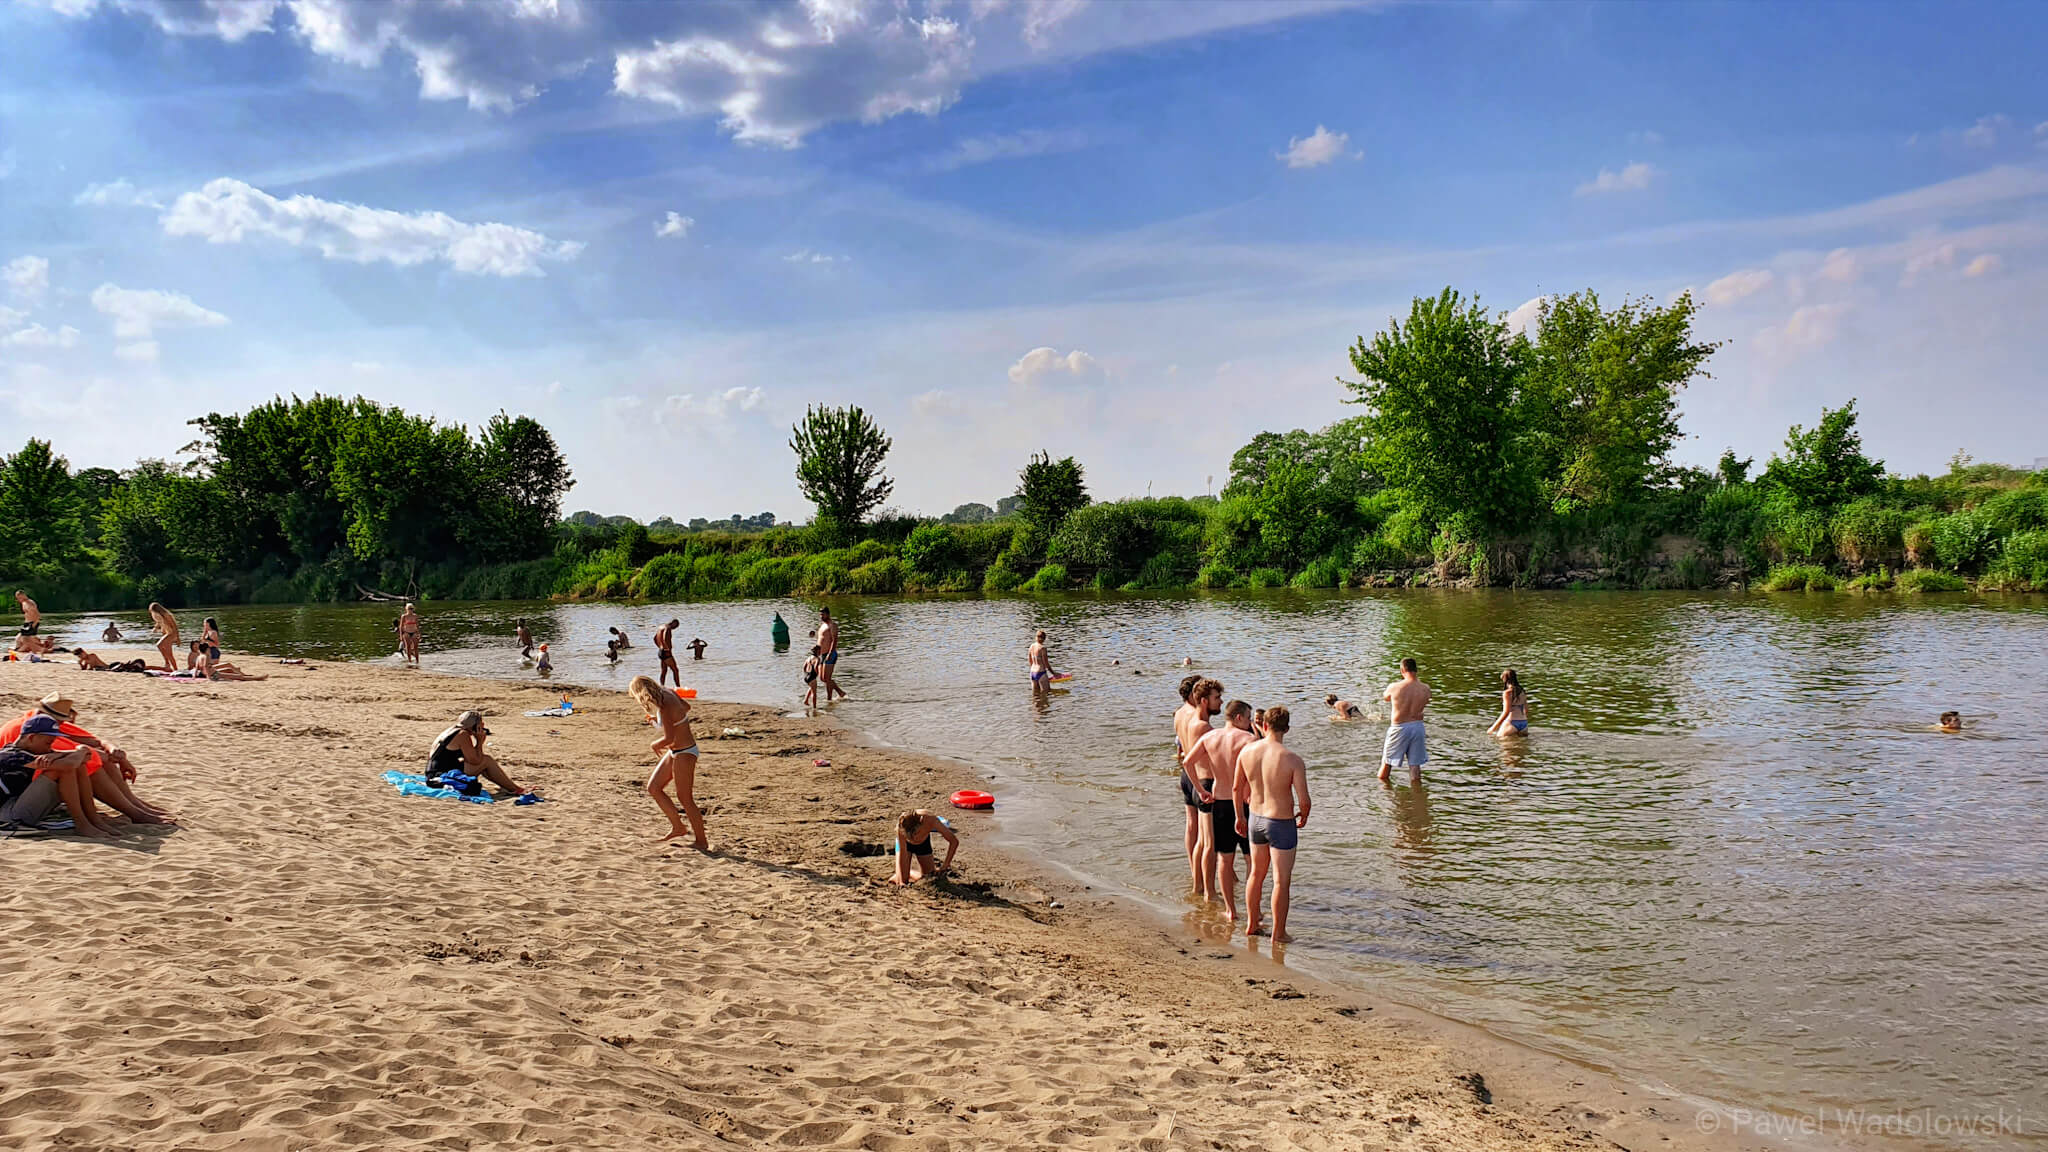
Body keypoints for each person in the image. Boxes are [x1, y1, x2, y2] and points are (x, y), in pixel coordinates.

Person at [3, 695, 173, 826]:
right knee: (84, 765)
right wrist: (83, 752)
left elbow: (94, 742)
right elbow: (77, 759)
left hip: (21, 784)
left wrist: (113, 750)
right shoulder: (32, 730)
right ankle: (122, 814)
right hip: (17, 795)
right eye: (60, 722)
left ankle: (135, 805)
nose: (61, 726)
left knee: (88, 760)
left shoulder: (42, 724)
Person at [1236, 705, 1309, 943]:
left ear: (1264, 725)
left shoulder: (1247, 752)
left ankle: (1251, 923)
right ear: (1286, 729)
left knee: (1256, 874)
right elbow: (1304, 799)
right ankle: (1279, 933)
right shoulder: (1292, 759)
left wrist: (1240, 816)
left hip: (1255, 818)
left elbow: (1237, 788)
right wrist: (1304, 815)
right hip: (1281, 822)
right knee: (1281, 880)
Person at [1181, 699, 1258, 922]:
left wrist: (1200, 790)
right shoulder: (1248, 739)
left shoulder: (1209, 737)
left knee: (1224, 858)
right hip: (1242, 803)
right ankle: (1256, 911)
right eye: (1248, 718)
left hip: (1220, 802)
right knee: (1250, 859)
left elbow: (1187, 763)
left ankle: (1231, 910)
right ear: (1239, 718)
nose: (1250, 722)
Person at [629, 675, 706, 848]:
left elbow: (669, 737)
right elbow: (686, 707)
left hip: (685, 752)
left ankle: (702, 841)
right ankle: (678, 827)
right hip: (675, 751)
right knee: (654, 787)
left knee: (685, 798)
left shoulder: (664, 706)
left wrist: (654, 744)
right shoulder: (668, 693)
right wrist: (661, 721)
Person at [0, 718, 105, 837]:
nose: (49, 748)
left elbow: (85, 756)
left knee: (78, 765)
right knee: (61, 769)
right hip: (7, 816)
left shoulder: (31, 751)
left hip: (16, 805)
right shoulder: (11, 755)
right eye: (48, 743)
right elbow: (69, 764)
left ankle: (93, 819)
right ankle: (82, 823)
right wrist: (79, 752)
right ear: (31, 738)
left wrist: (71, 753)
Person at [1175, 677, 1224, 900]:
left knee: (1196, 833)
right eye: (1217, 698)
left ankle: (1197, 885)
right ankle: (1209, 891)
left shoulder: (1180, 715)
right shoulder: (1203, 725)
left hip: (1188, 776)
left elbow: (1182, 751)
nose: (1221, 701)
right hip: (1203, 780)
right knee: (1208, 843)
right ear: (1203, 700)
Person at [426, 711, 532, 797]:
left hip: (433, 772)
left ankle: (508, 786)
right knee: (486, 761)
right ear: (476, 725)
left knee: (482, 763)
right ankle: (515, 789)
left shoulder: (452, 730)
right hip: (441, 775)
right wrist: (480, 741)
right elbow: (476, 760)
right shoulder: (463, 735)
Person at [1378, 657, 1431, 785]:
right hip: (1418, 727)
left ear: (1402, 670)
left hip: (1399, 727)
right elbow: (1427, 700)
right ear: (1416, 670)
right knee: (1415, 765)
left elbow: (1386, 697)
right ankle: (1417, 795)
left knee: (1387, 763)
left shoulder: (1394, 686)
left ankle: (1383, 793)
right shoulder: (1425, 688)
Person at [893, 809, 960, 885]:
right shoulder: (901, 825)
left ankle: (909, 873)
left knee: (929, 878)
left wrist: (945, 865)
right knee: (902, 881)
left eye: (916, 833)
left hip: (923, 844)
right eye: (909, 836)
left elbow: (954, 841)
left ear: (921, 822)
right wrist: (902, 881)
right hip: (905, 846)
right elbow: (903, 851)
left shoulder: (930, 819)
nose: (914, 839)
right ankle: (899, 876)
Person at [1487, 669, 1529, 737]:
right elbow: (1526, 710)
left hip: (1511, 722)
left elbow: (1506, 712)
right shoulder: (1522, 691)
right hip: (1524, 723)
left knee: (1501, 742)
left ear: (1505, 679)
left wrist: (1493, 728)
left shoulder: (1507, 693)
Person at [817, 608, 846, 702]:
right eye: (820, 614)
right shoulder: (822, 625)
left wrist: (830, 653)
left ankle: (829, 699)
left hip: (830, 654)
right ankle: (840, 692)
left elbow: (835, 640)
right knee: (822, 678)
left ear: (828, 614)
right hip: (821, 654)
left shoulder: (832, 625)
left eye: (823, 614)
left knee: (827, 678)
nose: (821, 616)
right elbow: (821, 638)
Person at [147, 602, 182, 672]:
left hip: (172, 633)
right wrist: (155, 628)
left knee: (166, 650)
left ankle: (173, 668)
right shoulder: (157, 615)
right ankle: (169, 664)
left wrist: (178, 638)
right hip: (167, 633)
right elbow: (159, 622)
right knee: (162, 648)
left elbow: (175, 626)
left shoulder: (167, 615)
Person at [654, 619, 681, 688]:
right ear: (674, 623)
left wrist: (660, 646)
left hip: (661, 651)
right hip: (666, 652)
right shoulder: (668, 628)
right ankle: (678, 687)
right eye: (676, 626)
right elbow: (664, 638)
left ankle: (662, 686)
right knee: (675, 670)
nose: (675, 628)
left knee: (664, 671)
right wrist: (667, 649)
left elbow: (654, 638)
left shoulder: (661, 627)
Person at [397, 603, 421, 667]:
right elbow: (401, 626)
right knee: (408, 647)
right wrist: (401, 635)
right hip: (406, 632)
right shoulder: (404, 616)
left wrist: (419, 633)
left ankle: (417, 661)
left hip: (414, 632)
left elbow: (417, 625)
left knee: (416, 647)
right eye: (409, 609)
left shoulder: (415, 616)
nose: (410, 610)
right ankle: (409, 660)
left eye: (412, 609)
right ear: (406, 609)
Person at [802, 644, 822, 709]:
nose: (820, 652)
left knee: (811, 688)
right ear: (817, 651)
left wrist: (805, 674)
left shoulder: (809, 657)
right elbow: (816, 667)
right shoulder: (817, 659)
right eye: (820, 650)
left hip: (806, 676)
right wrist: (818, 673)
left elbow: (804, 666)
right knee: (814, 693)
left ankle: (806, 701)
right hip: (812, 676)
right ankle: (814, 707)